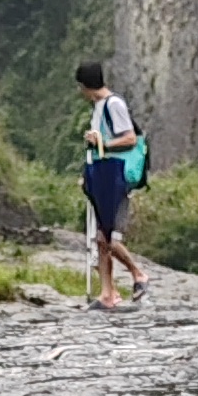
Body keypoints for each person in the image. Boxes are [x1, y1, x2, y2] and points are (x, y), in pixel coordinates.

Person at [77, 58, 145, 312]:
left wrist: (100, 145)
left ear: (85, 86)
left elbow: (129, 138)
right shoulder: (99, 106)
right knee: (100, 239)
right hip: (102, 173)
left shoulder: (113, 104)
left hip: (115, 175)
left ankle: (139, 275)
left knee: (108, 237)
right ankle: (108, 294)